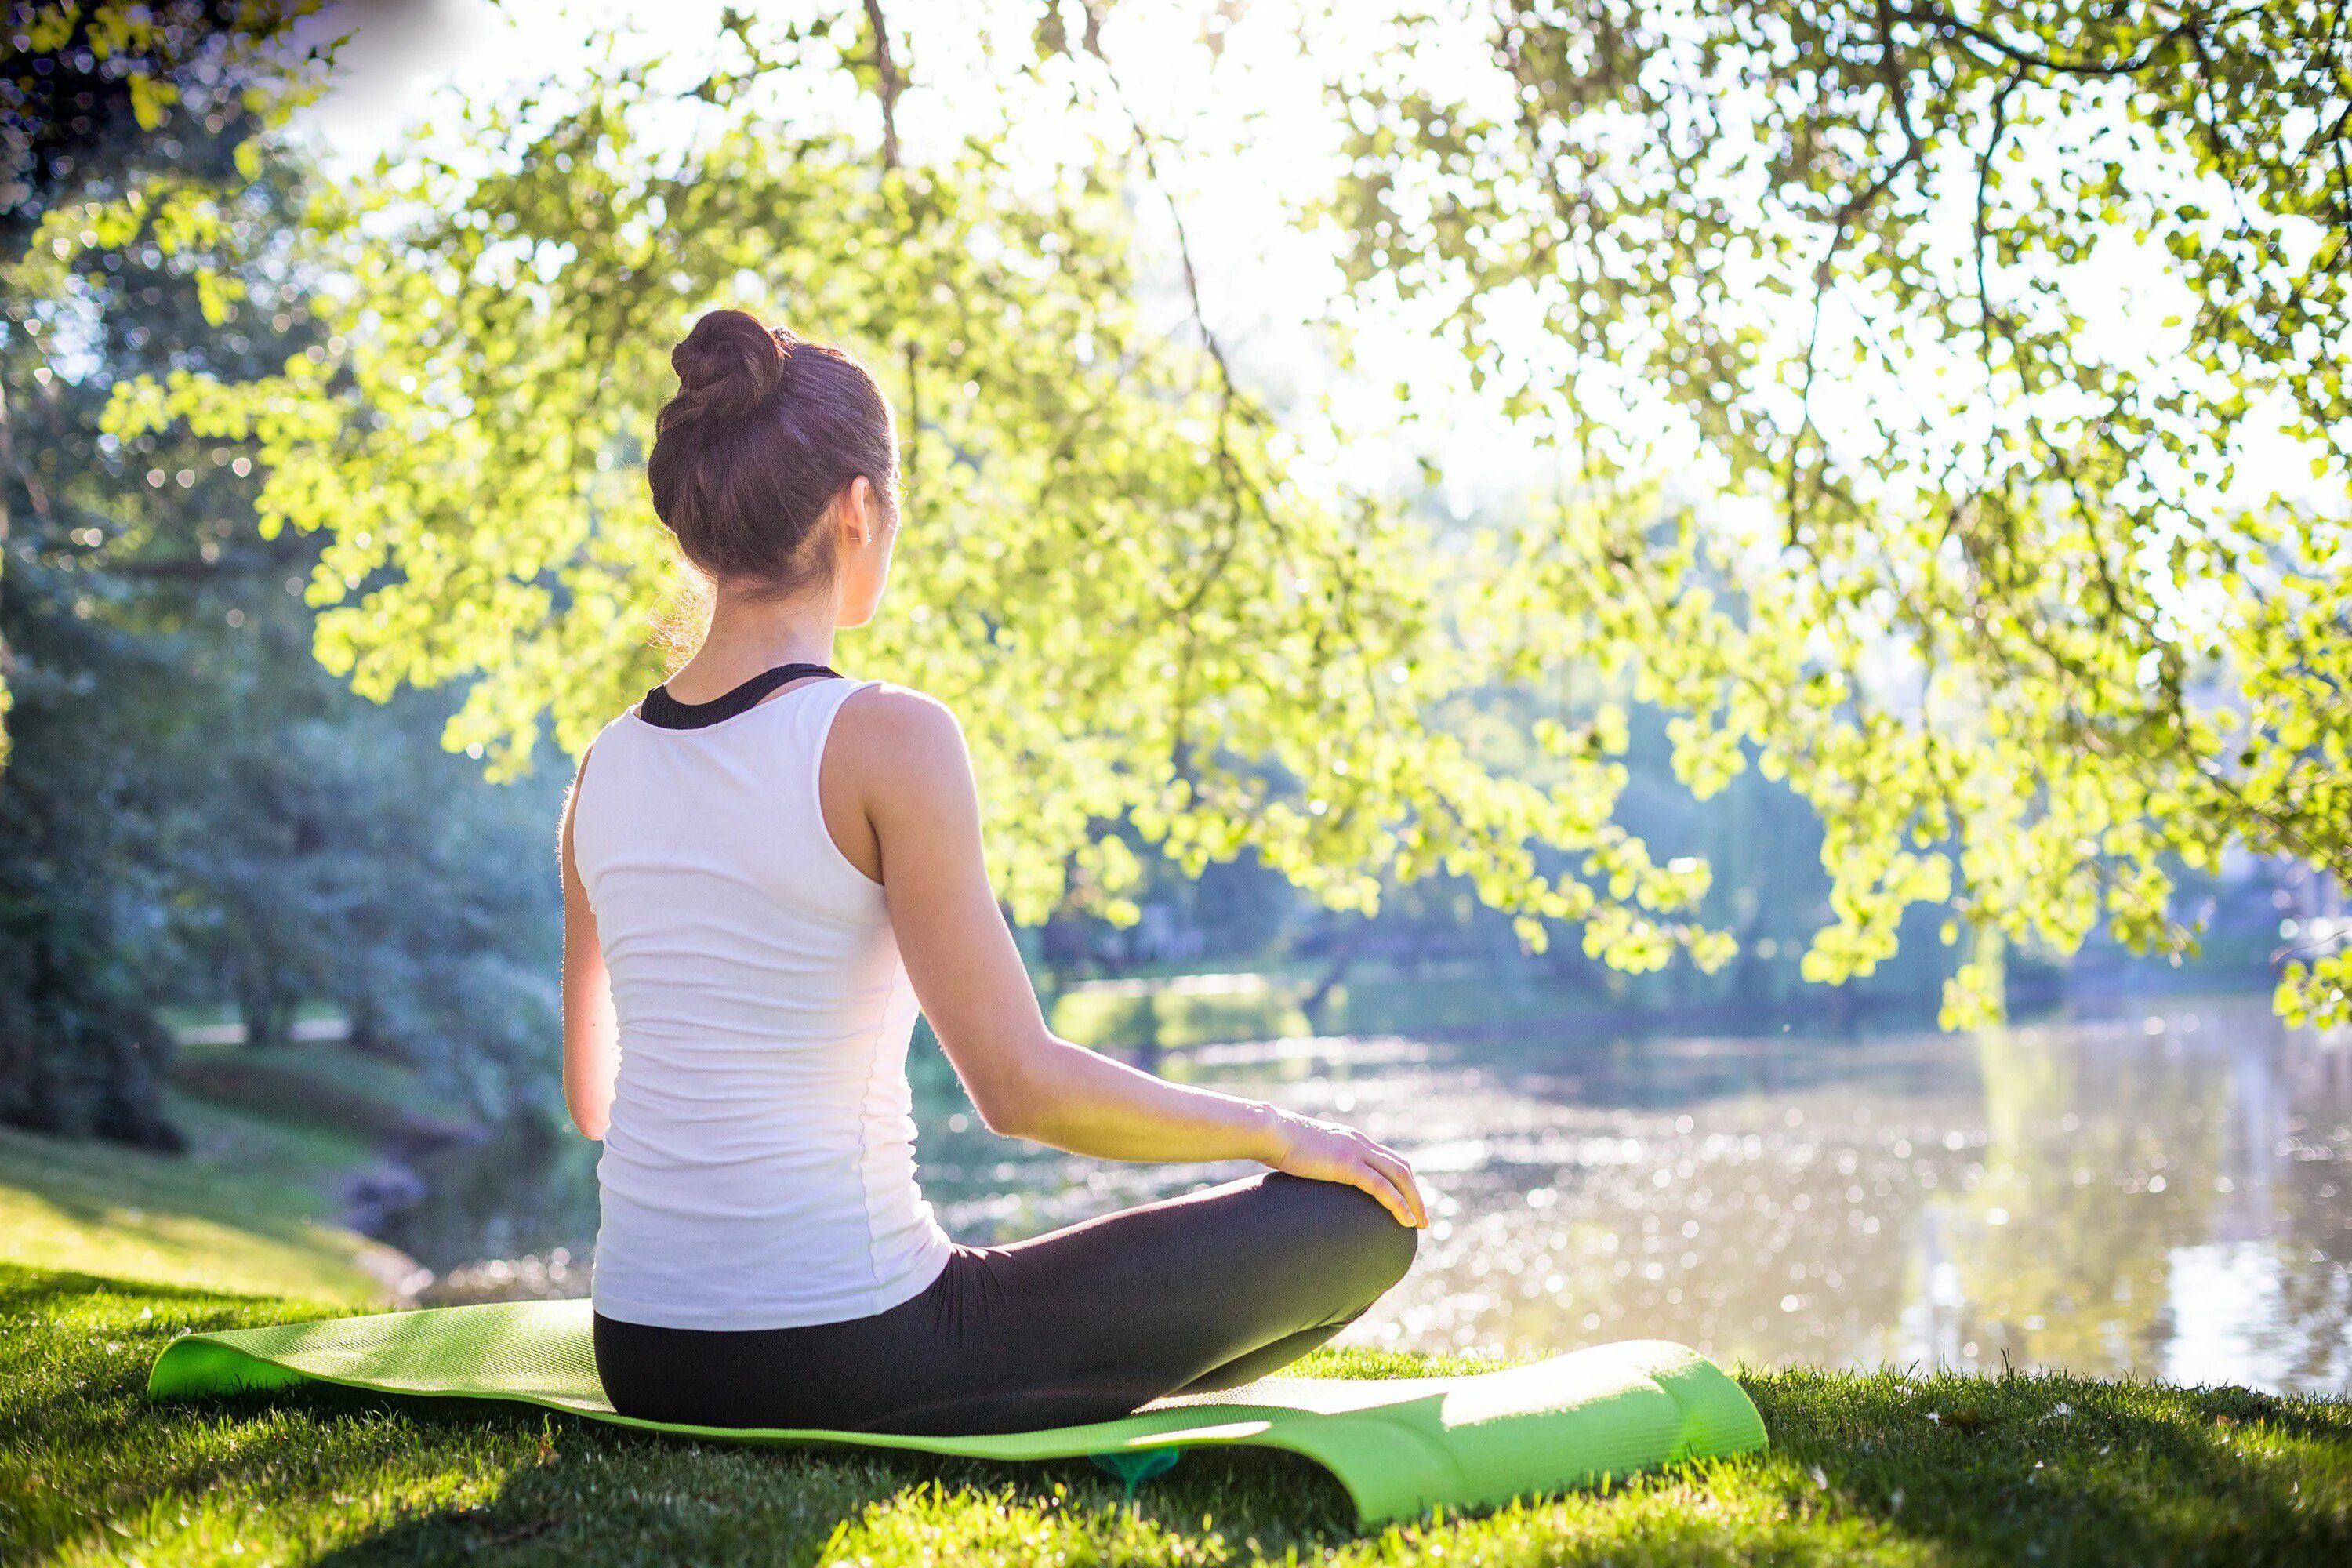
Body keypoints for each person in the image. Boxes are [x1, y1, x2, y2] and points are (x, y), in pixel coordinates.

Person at [557, 309, 1425, 1436]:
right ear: (858, 509)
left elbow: (594, 1101)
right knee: (1359, 1225)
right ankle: (1055, 1390)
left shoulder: (605, 766)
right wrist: (1279, 1132)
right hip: (854, 1350)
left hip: (644, 1348)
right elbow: (1020, 1090)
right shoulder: (888, 737)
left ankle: (1046, 1379)